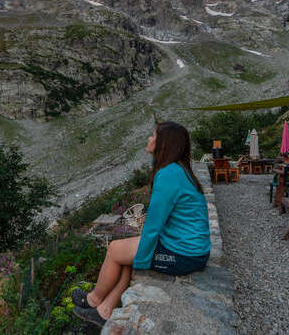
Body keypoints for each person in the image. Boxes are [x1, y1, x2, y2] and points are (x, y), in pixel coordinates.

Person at [72, 121, 211, 328]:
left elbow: (153, 226)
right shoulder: (179, 170)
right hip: (188, 246)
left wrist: (142, 260)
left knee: (113, 250)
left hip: (185, 254)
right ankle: (104, 311)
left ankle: (93, 299)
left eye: (153, 135)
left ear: (164, 144)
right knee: (125, 254)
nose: (149, 139)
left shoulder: (167, 175)